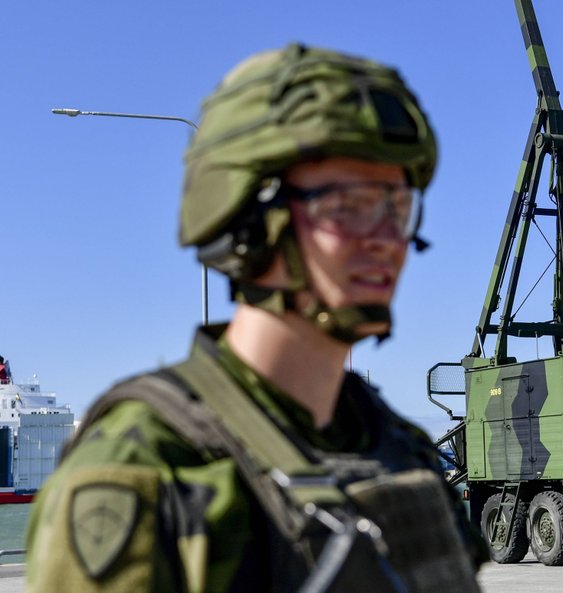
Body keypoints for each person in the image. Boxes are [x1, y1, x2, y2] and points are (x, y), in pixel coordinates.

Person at [25, 43, 484, 593]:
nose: (387, 240)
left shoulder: (401, 451)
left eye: (398, 207)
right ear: (250, 220)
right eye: (349, 207)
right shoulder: (148, 470)